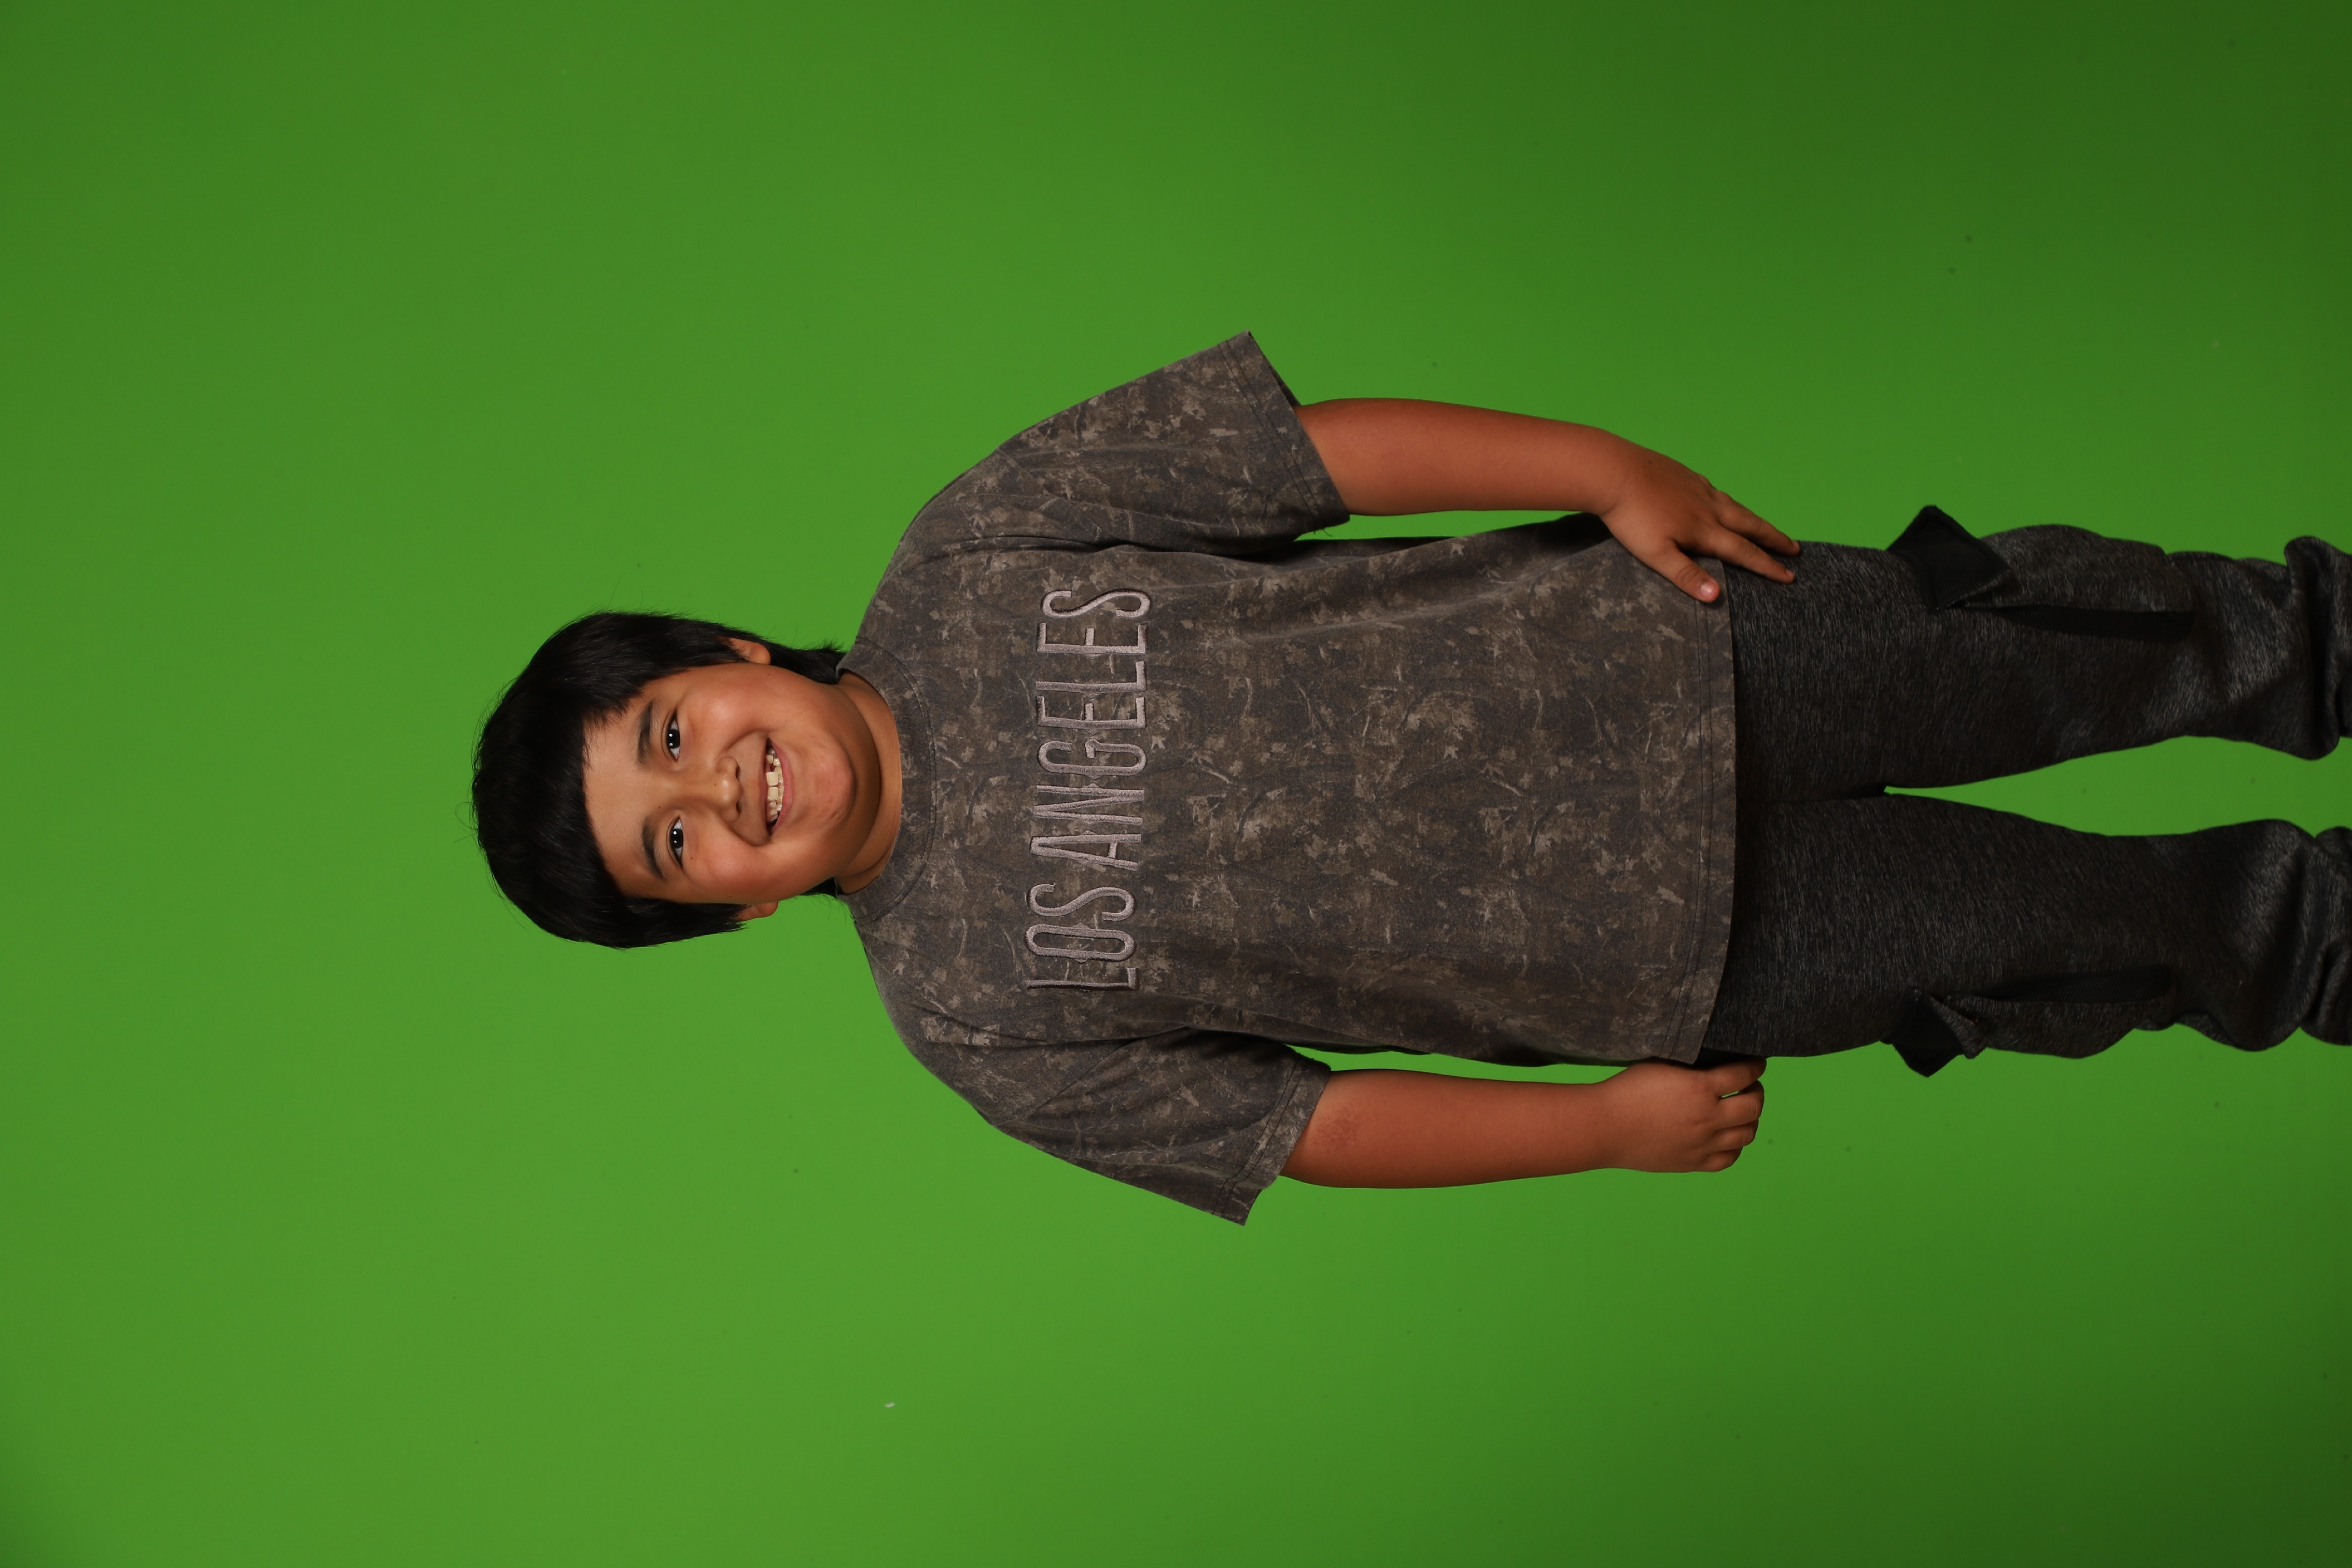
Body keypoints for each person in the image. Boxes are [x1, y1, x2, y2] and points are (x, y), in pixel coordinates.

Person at [473, 335, 2351, 1222]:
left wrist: (1598, 466)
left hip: (1692, 646)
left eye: (670, 738)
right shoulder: (973, 1021)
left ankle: (2318, 642)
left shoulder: (973, 551)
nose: (722, 797)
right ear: (728, 915)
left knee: (2063, 638)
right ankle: (2316, 941)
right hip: (1685, 954)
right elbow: (1307, 1125)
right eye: (676, 850)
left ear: (727, 653)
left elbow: (1303, 459)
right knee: (2087, 934)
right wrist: (1599, 1130)